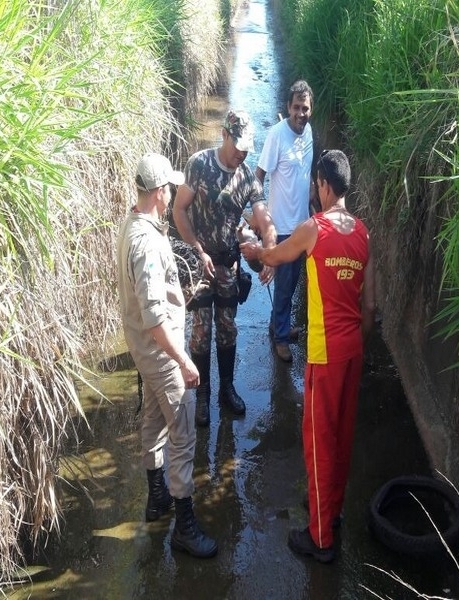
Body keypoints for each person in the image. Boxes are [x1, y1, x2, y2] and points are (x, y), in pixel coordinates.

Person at [240, 149, 376, 564]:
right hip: (352, 348)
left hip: (323, 352)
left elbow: (275, 257)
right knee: (341, 436)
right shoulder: (363, 233)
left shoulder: (313, 229)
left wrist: (253, 251)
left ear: (322, 185)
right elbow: (370, 307)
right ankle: (330, 513)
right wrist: (355, 339)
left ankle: (320, 540)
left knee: (317, 442)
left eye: (316, 184)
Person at [116, 153, 217, 558]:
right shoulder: (146, 243)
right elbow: (155, 316)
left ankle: (156, 499)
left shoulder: (133, 226)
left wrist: (183, 295)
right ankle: (184, 526)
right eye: (169, 188)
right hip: (161, 352)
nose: (173, 192)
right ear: (159, 193)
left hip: (146, 350)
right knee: (182, 434)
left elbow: (153, 300)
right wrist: (184, 361)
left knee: (155, 420)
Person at [173, 109, 277, 427]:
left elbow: (263, 218)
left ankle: (226, 389)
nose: (242, 152)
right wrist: (196, 249)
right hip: (199, 264)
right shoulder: (199, 165)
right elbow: (179, 209)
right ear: (225, 135)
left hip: (228, 264)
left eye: (247, 147)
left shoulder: (246, 176)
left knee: (228, 328)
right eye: (238, 145)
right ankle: (203, 395)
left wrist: (269, 250)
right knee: (201, 331)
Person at [255, 80, 314, 363]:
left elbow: (306, 177)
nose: (300, 113)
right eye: (296, 108)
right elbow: (258, 175)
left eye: (305, 108)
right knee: (283, 285)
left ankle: (277, 325)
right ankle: (280, 338)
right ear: (287, 108)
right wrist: (260, 214)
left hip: (303, 225)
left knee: (290, 285)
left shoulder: (309, 132)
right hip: (281, 228)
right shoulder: (276, 135)